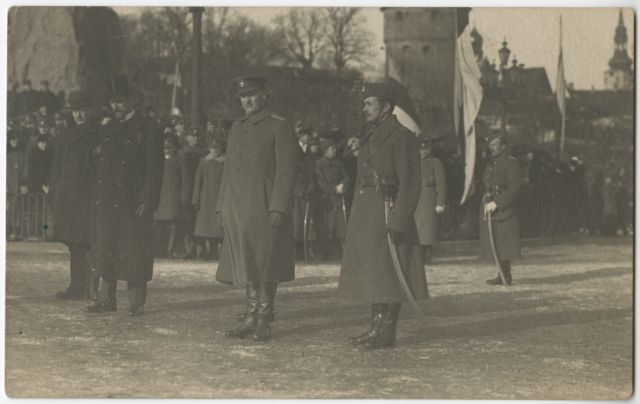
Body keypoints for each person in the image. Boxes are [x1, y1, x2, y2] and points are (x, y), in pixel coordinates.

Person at [339, 81, 427, 350]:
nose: (363, 107)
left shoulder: (401, 137)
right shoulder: (373, 135)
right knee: (375, 272)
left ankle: (386, 331)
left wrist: (398, 220)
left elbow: (411, 183)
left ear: (386, 107)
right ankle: (375, 327)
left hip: (387, 213)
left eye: (369, 103)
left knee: (389, 273)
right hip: (368, 215)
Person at [216, 76, 299, 342]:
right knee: (246, 262)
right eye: (243, 96)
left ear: (264, 94)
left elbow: (287, 170)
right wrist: (221, 204)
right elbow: (228, 169)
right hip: (237, 206)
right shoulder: (237, 128)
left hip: (264, 206)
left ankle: (264, 319)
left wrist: (278, 207)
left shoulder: (279, 125)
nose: (247, 100)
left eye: (252, 94)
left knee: (266, 262)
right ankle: (250, 316)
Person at [85, 75, 164, 316]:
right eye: (112, 102)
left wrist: (147, 200)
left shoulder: (148, 128)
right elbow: (99, 162)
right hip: (108, 199)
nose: (115, 107)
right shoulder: (108, 128)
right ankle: (105, 299)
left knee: (134, 250)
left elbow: (155, 167)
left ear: (132, 101)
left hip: (133, 201)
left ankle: (136, 302)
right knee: (107, 246)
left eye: (120, 101)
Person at [49, 90, 99, 300]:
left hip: (86, 196)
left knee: (87, 243)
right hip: (68, 196)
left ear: (89, 111)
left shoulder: (97, 133)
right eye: (76, 110)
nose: (79, 115)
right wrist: (54, 192)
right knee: (73, 243)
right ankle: (76, 286)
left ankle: (90, 288)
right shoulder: (65, 134)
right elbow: (57, 167)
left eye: (83, 110)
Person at [480, 131, 522, 286]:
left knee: (504, 243)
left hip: (504, 209)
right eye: (490, 145)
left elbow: (515, 188)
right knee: (496, 242)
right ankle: (501, 273)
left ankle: (506, 274)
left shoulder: (511, 163)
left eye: (495, 144)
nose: (492, 147)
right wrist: (486, 200)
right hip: (491, 207)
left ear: (503, 146)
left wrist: (497, 202)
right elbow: (487, 184)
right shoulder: (491, 163)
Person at [154, 136, 189, 258]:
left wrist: (184, 197)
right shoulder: (158, 160)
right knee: (158, 225)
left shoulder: (179, 160)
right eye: (165, 147)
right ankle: (158, 250)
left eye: (170, 147)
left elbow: (185, 180)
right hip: (159, 198)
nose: (167, 150)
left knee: (173, 225)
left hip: (173, 197)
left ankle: (170, 251)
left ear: (175, 148)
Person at [413, 136, 446, 264]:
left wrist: (440, 203)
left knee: (428, 230)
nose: (423, 152)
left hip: (428, 200)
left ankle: (428, 256)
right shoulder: (413, 162)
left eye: (426, 149)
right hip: (416, 200)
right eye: (420, 149)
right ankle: (418, 256)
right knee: (417, 229)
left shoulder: (435, 163)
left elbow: (442, 184)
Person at [315, 138, 350, 258]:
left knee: (340, 226)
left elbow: (346, 177)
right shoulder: (319, 164)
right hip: (326, 200)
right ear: (325, 150)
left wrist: (343, 185)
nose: (335, 150)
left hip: (338, 199)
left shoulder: (339, 163)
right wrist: (334, 190)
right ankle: (325, 253)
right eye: (332, 148)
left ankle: (342, 252)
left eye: (335, 148)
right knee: (327, 226)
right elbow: (320, 182)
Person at [192, 137, 226, 259]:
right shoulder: (204, 162)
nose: (215, 151)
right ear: (209, 149)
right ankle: (209, 250)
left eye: (217, 148)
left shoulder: (225, 162)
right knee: (206, 226)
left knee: (219, 226)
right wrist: (196, 199)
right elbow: (198, 181)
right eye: (213, 148)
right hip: (206, 198)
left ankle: (219, 251)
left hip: (220, 198)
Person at [178, 127, 206, 258]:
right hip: (185, 189)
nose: (194, 138)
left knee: (198, 219)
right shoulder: (182, 152)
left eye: (196, 136)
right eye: (191, 136)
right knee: (186, 221)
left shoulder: (202, 152)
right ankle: (189, 248)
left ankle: (199, 248)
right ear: (186, 138)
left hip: (199, 188)